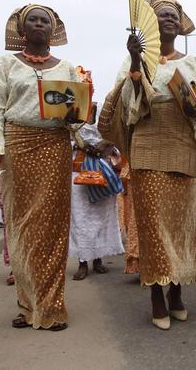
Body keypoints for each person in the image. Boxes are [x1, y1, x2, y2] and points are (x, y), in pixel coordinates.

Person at [0, 4, 80, 331]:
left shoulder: (67, 67)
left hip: (55, 147)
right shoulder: (5, 65)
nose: (40, 24)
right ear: (22, 29)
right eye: (34, 20)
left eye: (46, 20)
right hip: (18, 148)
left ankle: (53, 305)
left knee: (53, 226)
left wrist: (76, 118)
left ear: (53, 29)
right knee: (22, 226)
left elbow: (77, 116)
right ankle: (27, 305)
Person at [110, 0, 196, 330]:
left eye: (174, 14)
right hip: (149, 142)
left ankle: (176, 290)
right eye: (162, 14)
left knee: (182, 224)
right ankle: (156, 294)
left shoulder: (192, 63)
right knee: (154, 225)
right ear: (152, 24)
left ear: (179, 25)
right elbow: (127, 103)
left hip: (184, 144)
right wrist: (134, 63)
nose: (169, 18)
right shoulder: (138, 59)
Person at [69, 118, 125, 281]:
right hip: (78, 175)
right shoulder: (70, 117)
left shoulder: (104, 113)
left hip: (103, 173)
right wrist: (81, 147)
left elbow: (116, 145)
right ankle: (83, 262)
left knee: (102, 219)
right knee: (81, 221)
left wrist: (104, 147)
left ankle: (98, 259)